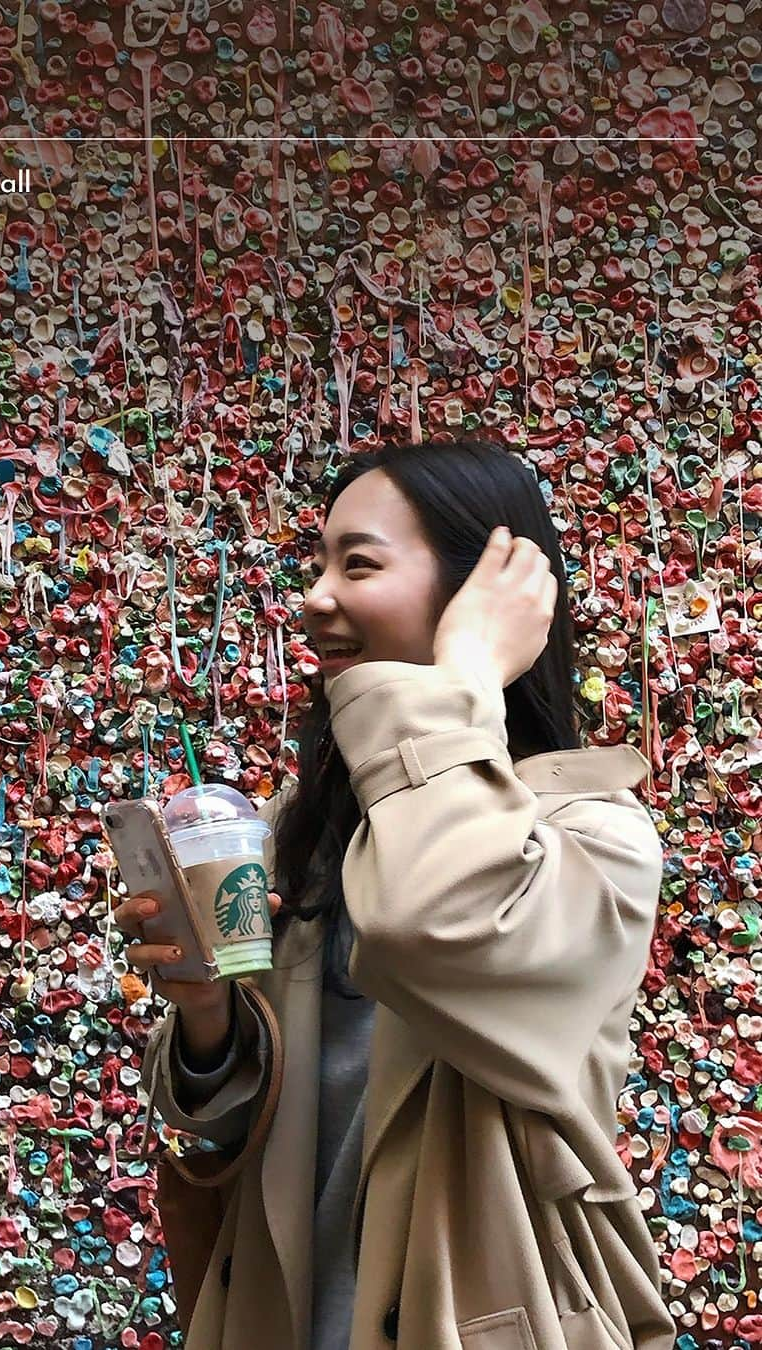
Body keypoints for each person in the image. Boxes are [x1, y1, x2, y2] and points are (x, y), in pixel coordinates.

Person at [116, 440, 675, 1349]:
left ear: (478, 599)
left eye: (359, 563)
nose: (316, 598)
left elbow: (428, 925)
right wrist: (209, 1015)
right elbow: (258, 1123)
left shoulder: (593, 836)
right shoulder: (313, 828)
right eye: (318, 564)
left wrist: (459, 684)